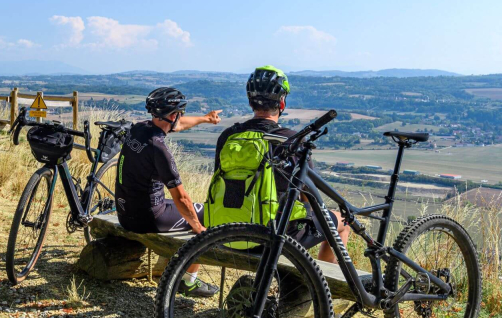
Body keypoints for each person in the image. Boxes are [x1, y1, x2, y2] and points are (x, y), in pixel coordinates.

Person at [215, 66, 352, 265]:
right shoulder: (290, 139)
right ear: (282, 102)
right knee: (343, 223)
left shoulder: (228, 136)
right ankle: (321, 285)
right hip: (274, 235)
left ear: (250, 101)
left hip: (226, 230)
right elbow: (309, 193)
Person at [115, 87, 222, 297]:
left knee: (186, 211)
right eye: (179, 113)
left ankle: (171, 265)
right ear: (172, 115)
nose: (180, 118)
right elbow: (181, 197)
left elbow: (178, 124)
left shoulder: (139, 129)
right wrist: (198, 227)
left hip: (124, 213)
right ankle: (188, 282)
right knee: (205, 214)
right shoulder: (159, 148)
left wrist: (205, 119)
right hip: (148, 218)